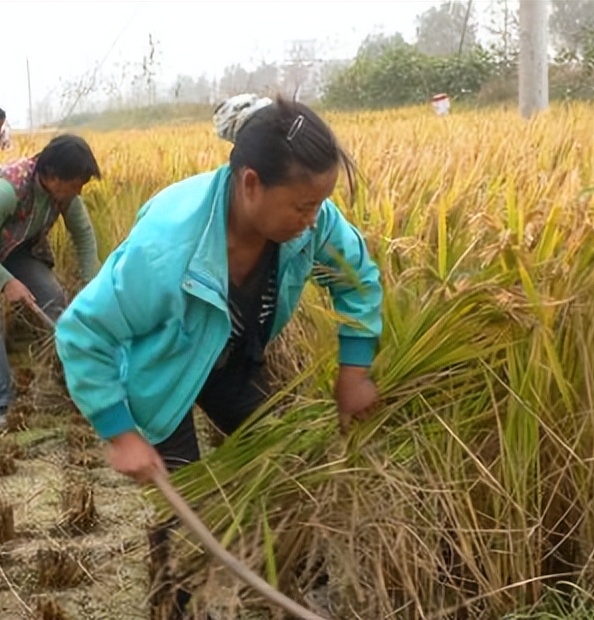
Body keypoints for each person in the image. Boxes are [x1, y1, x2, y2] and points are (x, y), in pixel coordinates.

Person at [52, 94, 384, 619]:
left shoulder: (309, 222)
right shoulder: (166, 250)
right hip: (163, 372)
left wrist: (354, 372)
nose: (314, 218)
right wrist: (120, 432)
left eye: (319, 203)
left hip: (234, 356)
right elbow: (82, 332)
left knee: (284, 465)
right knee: (184, 508)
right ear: (250, 184)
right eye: (302, 206)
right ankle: (172, 605)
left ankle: (295, 579)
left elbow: (356, 279)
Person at [0, 134, 103, 429]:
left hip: (16, 246)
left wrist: (93, 286)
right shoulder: (7, 190)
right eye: (76, 184)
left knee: (55, 298)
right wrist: (6, 283)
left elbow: (84, 236)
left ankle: (64, 379)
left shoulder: (65, 195)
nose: (79, 190)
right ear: (53, 176)